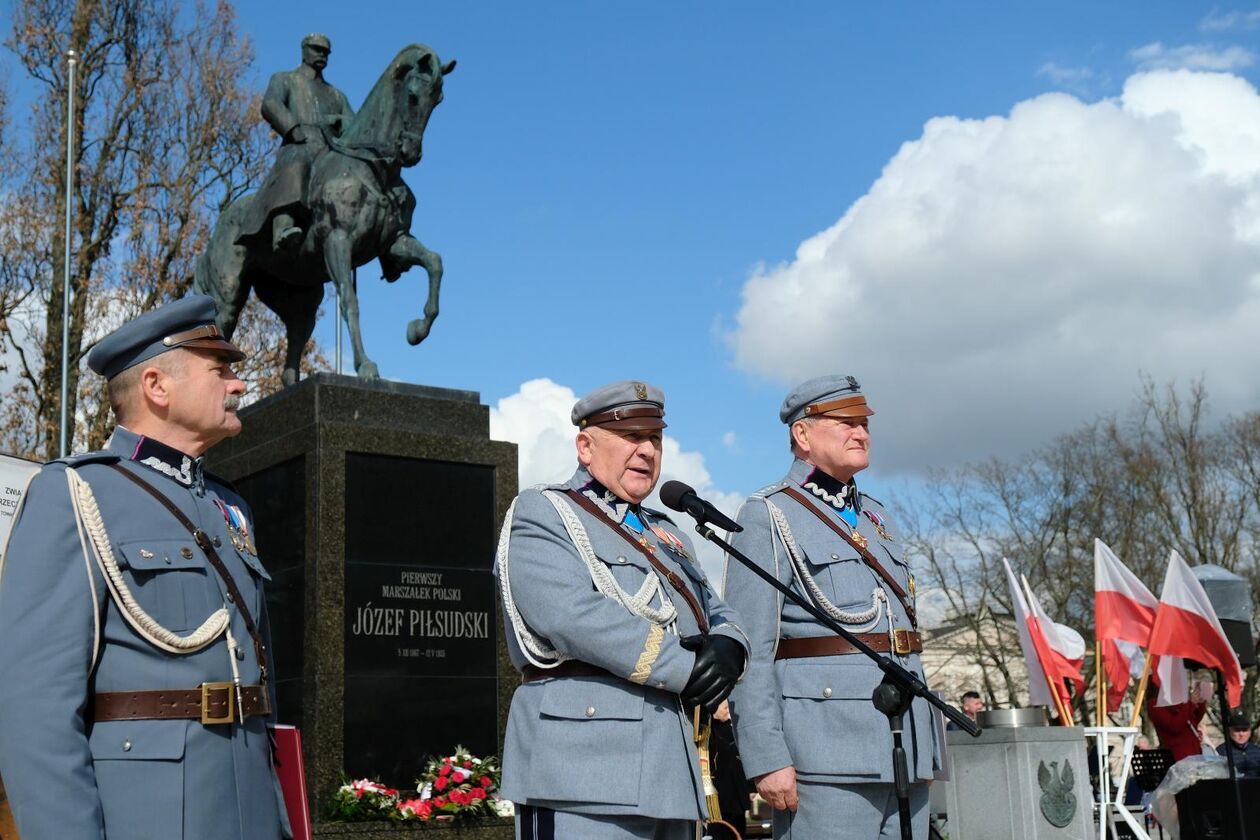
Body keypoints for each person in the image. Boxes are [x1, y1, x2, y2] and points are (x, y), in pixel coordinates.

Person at [0, 296, 290, 839]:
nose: (239, 385)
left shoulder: (230, 508)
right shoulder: (76, 492)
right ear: (158, 387)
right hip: (151, 816)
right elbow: (33, 715)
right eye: (220, 370)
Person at [495, 380, 749, 840]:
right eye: (631, 437)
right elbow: (571, 617)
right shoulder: (545, 512)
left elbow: (717, 609)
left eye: (654, 438)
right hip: (583, 770)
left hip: (673, 768)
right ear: (585, 447)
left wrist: (731, 646)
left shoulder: (670, 534)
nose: (647, 451)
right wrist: (689, 668)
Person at [724, 375, 938, 840]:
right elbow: (751, 650)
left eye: (863, 423)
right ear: (802, 435)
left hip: (907, 740)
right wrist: (766, 756)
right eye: (845, 422)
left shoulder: (878, 516)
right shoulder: (769, 515)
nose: (860, 432)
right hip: (826, 746)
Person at [238, 32, 356, 252]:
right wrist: (292, 128)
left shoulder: (337, 95)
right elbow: (271, 104)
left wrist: (340, 121)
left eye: (325, 52)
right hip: (299, 143)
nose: (322, 55)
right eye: (316, 49)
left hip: (330, 151)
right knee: (298, 162)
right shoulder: (284, 79)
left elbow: (354, 125)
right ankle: (283, 227)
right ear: (304, 51)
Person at [1147, 678, 1210, 762]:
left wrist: (1200, 702)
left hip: (1193, 752)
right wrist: (1190, 703)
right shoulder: (1154, 704)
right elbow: (1175, 726)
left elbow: (1193, 720)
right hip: (1179, 755)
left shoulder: (1177, 700)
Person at [1217, 712, 1260, 778]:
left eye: (1244, 730)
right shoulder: (1221, 752)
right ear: (1229, 731)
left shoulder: (1257, 750)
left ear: (1250, 732)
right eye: (1237, 730)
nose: (1241, 734)